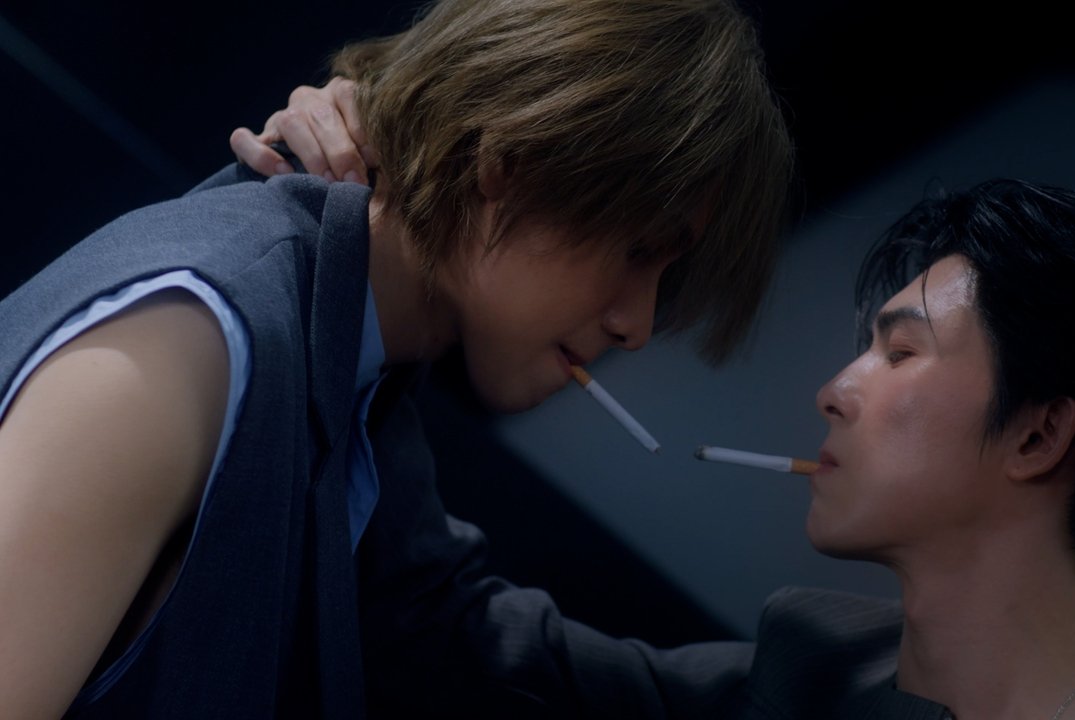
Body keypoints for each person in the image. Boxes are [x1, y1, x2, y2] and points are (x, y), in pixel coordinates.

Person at [238, 87, 1075, 716]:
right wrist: (383, 259)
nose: (833, 392)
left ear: (1038, 433)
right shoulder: (808, 675)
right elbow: (441, 636)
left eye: (901, 352)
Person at [0, 1, 793, 717]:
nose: (637, 325)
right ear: (511, 161)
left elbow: (460, 635)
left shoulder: (356, 366)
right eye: (640, 250)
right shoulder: (194, 341)